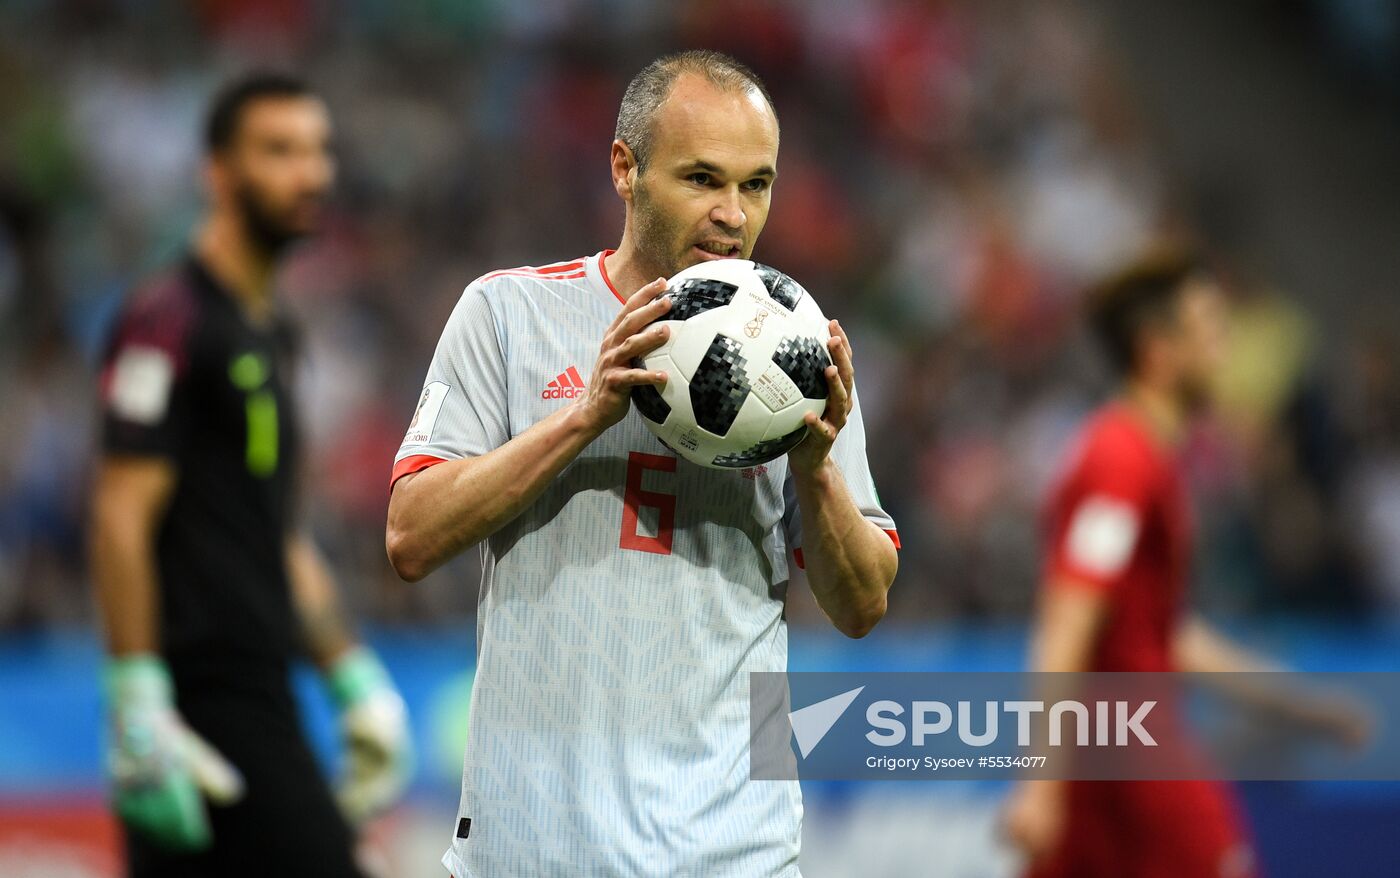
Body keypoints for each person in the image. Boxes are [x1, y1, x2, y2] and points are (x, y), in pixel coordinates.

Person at [386, 50, 900, 877]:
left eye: (756, 184)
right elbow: (410, 537)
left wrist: (814, 464)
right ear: (626, 169)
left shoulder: (796, 353)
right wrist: (586, 417)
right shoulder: (508, 313)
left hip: (735, 851)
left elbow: (863, 602)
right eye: (702, 179)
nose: (733, 215)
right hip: (534, 847)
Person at [90, 73, 412, 877]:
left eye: (316, 151)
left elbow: (282, 533)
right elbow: (118, 513)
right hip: (198, 701)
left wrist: (351, 677)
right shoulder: (168, 318)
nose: (309, 173)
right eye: (278, 151)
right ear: (217, 173)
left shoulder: (269, 332)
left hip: (261, 687)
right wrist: (138, 699)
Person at [999, 251, 1366, 878]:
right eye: (1209, 328)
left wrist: (1296, 704)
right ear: (1158, 349)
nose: (1224, 347)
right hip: (1133, 773)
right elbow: (1068, 618)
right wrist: (1039, 783)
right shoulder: (1120, 463)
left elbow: (1161, 631)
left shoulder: (1146, 458)